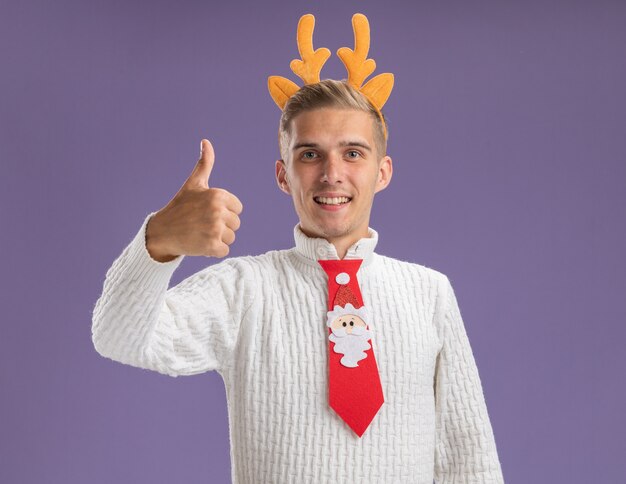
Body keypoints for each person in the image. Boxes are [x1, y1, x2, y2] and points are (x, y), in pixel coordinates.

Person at [91, 12, 504, 484]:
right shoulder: (243, 291)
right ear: (283, 175)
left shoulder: (430, 293)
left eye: (353, 153)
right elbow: (119, 338)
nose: (332, 173)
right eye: (310, 154)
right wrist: (158, 241)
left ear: (382, 172)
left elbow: (469, 458)